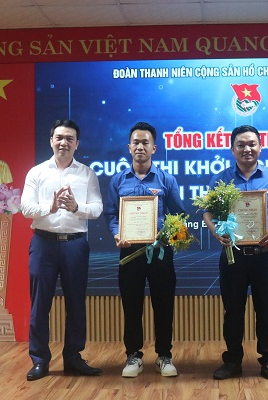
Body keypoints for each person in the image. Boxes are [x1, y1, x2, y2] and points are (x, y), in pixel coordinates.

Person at [202, 125, 268, 382]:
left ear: (260, 147)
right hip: (233, 255)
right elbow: (207, 211)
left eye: (252, 144)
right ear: (232, 149)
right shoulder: (221, 179)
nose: (247, 149)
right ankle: (232, 360)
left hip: (265, 253)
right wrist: (215, 231)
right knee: (233, 310)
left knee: (266, 310)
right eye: (241, 145)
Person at [20, 119, 103, 381]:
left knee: (76, 303)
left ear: (77, 144)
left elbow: (97, 209)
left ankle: (73, 358)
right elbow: (25, 208)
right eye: (59, 137)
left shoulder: (87, 174)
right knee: (39, 304)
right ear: (51, 141)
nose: (63, 143)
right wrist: (51, 208)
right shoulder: (36, 173)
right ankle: (39, 360)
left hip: (75, 244)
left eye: (69, 138)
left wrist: (77, 208)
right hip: (43, 243)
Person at [104, 121, 185, 378]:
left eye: (145, 142)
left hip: (160, 253)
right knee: (131, 306)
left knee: (164, 306)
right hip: (129, 252)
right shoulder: (118, 180)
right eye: (136, 142)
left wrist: (167, 234)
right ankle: (133, 356)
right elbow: (111, 214)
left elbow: (179, 214)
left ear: (154, 148)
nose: (140, 147)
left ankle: (164, 356)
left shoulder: (166, 179)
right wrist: (117, 233)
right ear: (129, 147)